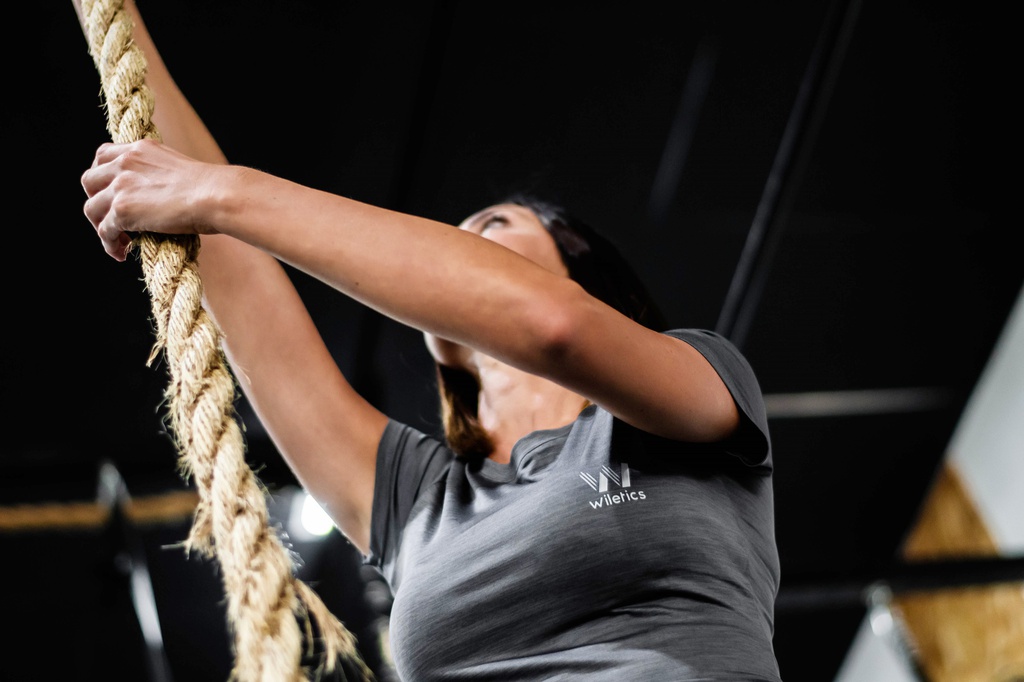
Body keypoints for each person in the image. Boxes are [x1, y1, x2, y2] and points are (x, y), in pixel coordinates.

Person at [74, 1, 782, 679]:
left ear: (583, 270)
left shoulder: (702, 388)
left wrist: (219, 193)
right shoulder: (416, 500)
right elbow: (240, 275)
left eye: (492, 231)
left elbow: (551, 325)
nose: (455, 251)